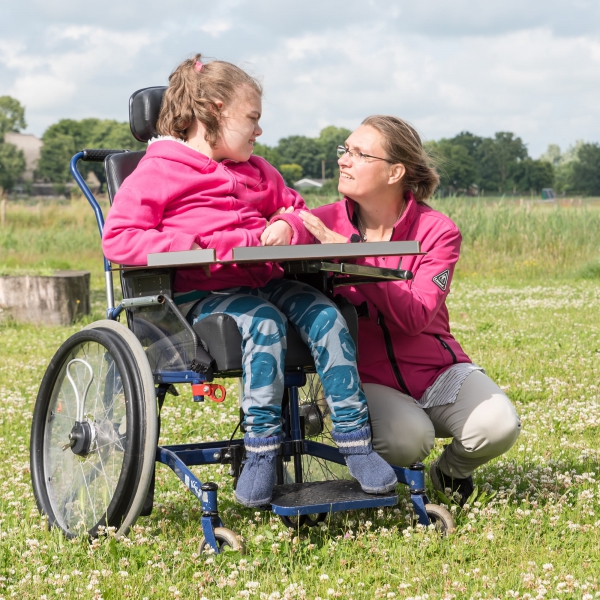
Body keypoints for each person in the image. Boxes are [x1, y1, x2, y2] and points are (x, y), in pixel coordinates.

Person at [102, 56, 397, 508]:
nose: (259, 132)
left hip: (268, 281)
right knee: (262, 322)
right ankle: (261, 451)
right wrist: (209, 243)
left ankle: (356, 443)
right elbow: (120, 240)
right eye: (253, 119)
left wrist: (287, 227)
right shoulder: (158, 172)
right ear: (214, 111)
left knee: (327, 313)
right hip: (201, 298)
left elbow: (297, 210)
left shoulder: (259, 170)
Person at [299, 115, 521, 506]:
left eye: (358, 154)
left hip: (437, 370)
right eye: (344, 150)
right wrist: (285, 223)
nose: (343, 160)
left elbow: (416, 315)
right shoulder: (323, 221)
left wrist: (355, 256)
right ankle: (389, 467)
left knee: (498, 425)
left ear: (395, 171)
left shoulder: (438, 231)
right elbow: (288, 219)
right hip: (365, 378)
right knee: (408, 440)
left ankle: (450, 472)